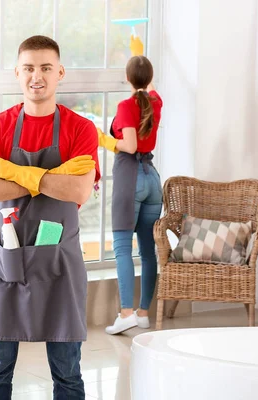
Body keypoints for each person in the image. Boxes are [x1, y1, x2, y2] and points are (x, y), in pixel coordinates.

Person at [0, 35, 100, 400]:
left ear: (60, 72)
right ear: (17, 73)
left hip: (59, 264)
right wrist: (51, 178)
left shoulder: (80, 128)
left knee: (68, 374)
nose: (37, 76)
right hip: (6, 264)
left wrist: (15, 174)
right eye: (29, 68)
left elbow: (78, 192)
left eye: (46, 68)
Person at [98, 55, 164, 334]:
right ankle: (144, 313)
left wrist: (102, 138)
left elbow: (129, 145)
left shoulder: (126, 106)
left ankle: (126, 313)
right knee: (148, 251)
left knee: (123, 247)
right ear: (150, 78)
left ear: (126, 78)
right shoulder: (156, 101)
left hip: (130, 177)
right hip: (152, 178)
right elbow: (151, 91)